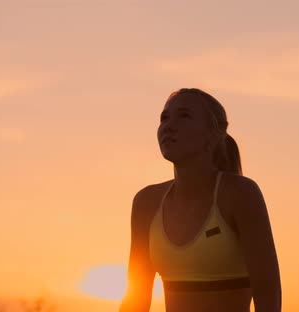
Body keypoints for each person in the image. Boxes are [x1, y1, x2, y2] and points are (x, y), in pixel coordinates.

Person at [118, 88, 281, 312]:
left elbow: (268, 294)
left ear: (212, 135)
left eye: (184, 116)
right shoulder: (146, 202)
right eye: (164, 118)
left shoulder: (241, 194)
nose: (168, 125)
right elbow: (135, 299)